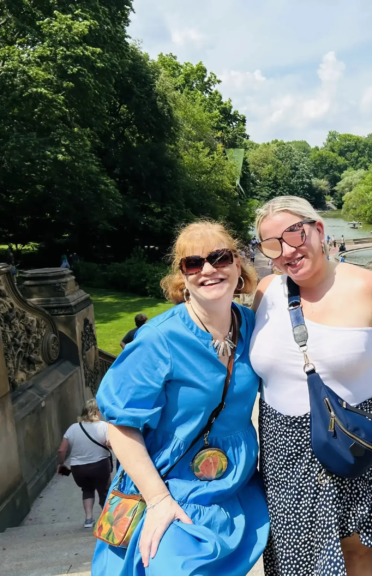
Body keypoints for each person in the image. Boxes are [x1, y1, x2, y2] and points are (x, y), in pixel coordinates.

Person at [250, 197, 372, 575]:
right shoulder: (266, 293)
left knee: (360, 544)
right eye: (272, 245)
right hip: (284, 445)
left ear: (318, 229)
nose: (287, 251)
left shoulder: (369, 287)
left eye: (294, 234)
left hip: (354, 436)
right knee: (295, 549)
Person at [92, 221, 269, 575]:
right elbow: (119, 426)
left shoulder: (252, 324)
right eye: (193, 263)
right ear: (182, 277)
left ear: (238, 264)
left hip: (235, 485)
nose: (208, 269)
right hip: (166, 483)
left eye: (219, 258)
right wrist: (158, 501)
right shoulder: (158, 339)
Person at [57, 399, 112, 529]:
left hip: (79, 468)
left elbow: (61, 449)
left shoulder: (72, 428)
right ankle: (107, 520)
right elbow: (110, 443)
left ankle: (88, 519)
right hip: (100, 465)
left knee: (87, 490)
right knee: (104, 491)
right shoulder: (103, 426)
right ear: (95, 412)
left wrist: (61, 464)